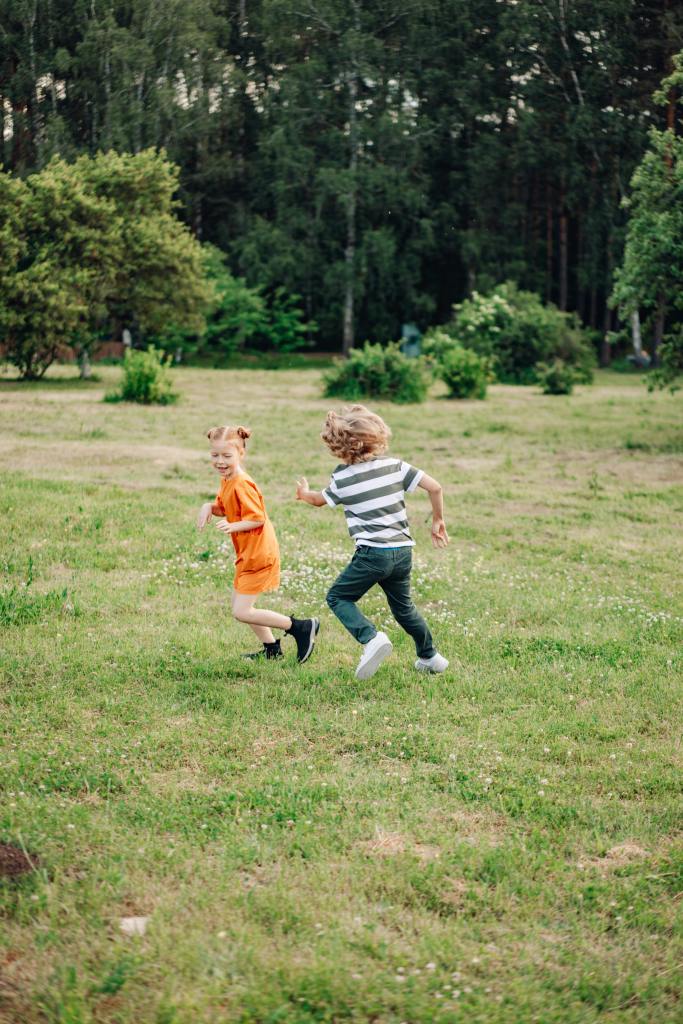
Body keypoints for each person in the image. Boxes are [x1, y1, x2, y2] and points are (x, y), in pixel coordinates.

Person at [295, 405, 449, 680]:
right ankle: (430, 657)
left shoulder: (342, 478)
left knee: (338, 597)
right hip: (402, 551)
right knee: (404, 607)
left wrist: (304, 493)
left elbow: (319, 500)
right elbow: (435, 487)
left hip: (372, 554)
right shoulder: (395, 466)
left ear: (338, 446)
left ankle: (371, 638)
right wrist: (437, 520)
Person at [197, 425, 319, 662]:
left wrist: (234, 526)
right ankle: (272, 650)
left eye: (226, 456)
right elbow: (224, 508)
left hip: (259, 552)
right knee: (241, 607)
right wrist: (207, 507)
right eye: (215, 455)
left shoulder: (242, 483)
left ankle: (301, 627)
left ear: (241, 453)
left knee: (241, 611)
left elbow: (256, 518)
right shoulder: (228, 479)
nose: (220, 461)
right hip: (248, 552)